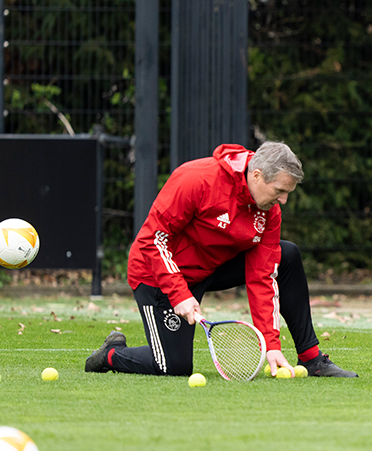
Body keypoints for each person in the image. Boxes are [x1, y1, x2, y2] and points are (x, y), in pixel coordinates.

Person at [85, 141, 357, 378]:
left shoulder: (269, 209)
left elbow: (263, 275)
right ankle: (112, 354)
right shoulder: (196, 179)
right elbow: (152, 240)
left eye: (288, 193)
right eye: (279, 191)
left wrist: (272, 345)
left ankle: (311, 359)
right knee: (173, 366)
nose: (283, 200)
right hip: (158, 273)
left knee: (287, 256)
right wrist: (179, 293)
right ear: (258, 175)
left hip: (210, 267)